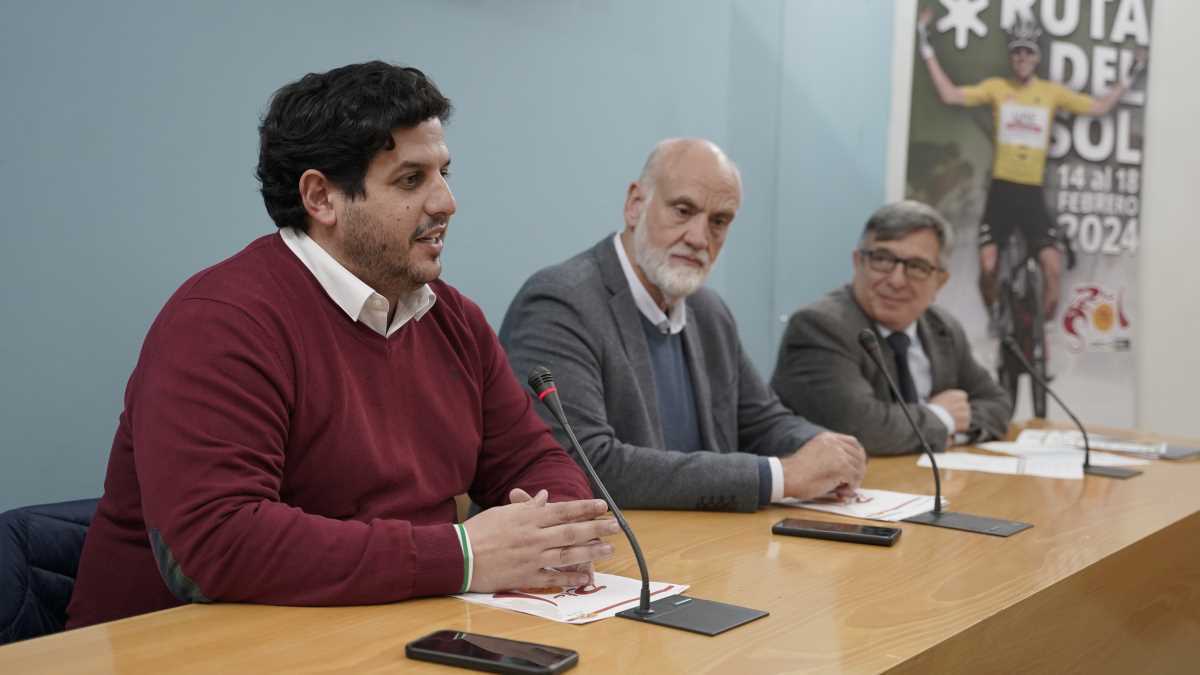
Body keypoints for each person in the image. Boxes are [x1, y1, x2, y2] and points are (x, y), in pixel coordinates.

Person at [67, 62, 617, 628]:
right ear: (321, 197)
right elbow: (216, 544)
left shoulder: (452, 318)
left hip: (376, 630)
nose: (446, 202)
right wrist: (464, 555)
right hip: (174, 649)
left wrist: (552, 533)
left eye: (444, 173)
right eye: (411, 180)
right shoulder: (221, 322)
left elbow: (533, 459)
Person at [500, 138, 866, 513]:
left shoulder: (709, 312)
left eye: (718, 222)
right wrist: (777, 476)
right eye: (683, 210)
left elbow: (762, 421)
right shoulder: (561, 302)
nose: (698, 238)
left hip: (695, 548)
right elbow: (586, 464)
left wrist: (828, 449)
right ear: (635, 204)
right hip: (603, 557)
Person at [916, 10, 1144, 319]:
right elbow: (949, 94)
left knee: (1052, 268)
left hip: (1031, 193)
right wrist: (925, 45)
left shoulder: (1050, 93)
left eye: (1028, 52)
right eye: (1017, 52)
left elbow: (1101, 106)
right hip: (1002, 190)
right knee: (987, 266)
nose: (1022, 58)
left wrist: (1131, 72)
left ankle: (1040, 342)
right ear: (1012, 57)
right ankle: (995, 313)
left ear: (1036, 58)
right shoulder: (998, 88)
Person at [771, 201, 1012, 456]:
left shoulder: (943, 328)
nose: (896, 280)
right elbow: (862, 429)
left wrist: (952, 429)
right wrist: (942, 418)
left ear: (940, 281)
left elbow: (996, 404)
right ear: (858, 262)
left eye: (917, 267)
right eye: (882, 260)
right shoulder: (819, 327)